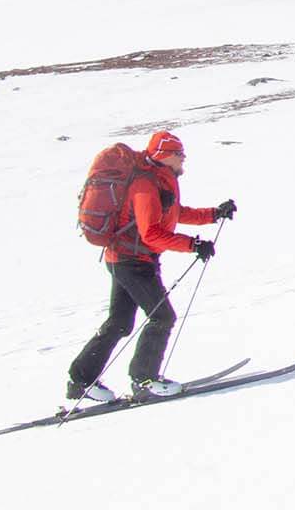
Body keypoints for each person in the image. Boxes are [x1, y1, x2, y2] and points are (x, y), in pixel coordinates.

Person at [65, 130, 235, 403]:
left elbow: (174, 214)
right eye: (180, 154)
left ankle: (81, 380)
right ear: (167, 156)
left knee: (119, 323)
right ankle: (144, 379)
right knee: (162, 317)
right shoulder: (146, 185)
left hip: (126, 259)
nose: (184, 160)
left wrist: (214, 214)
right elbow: (151, 234)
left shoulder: (161, 180)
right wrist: (192, 245)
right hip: (132, 262)